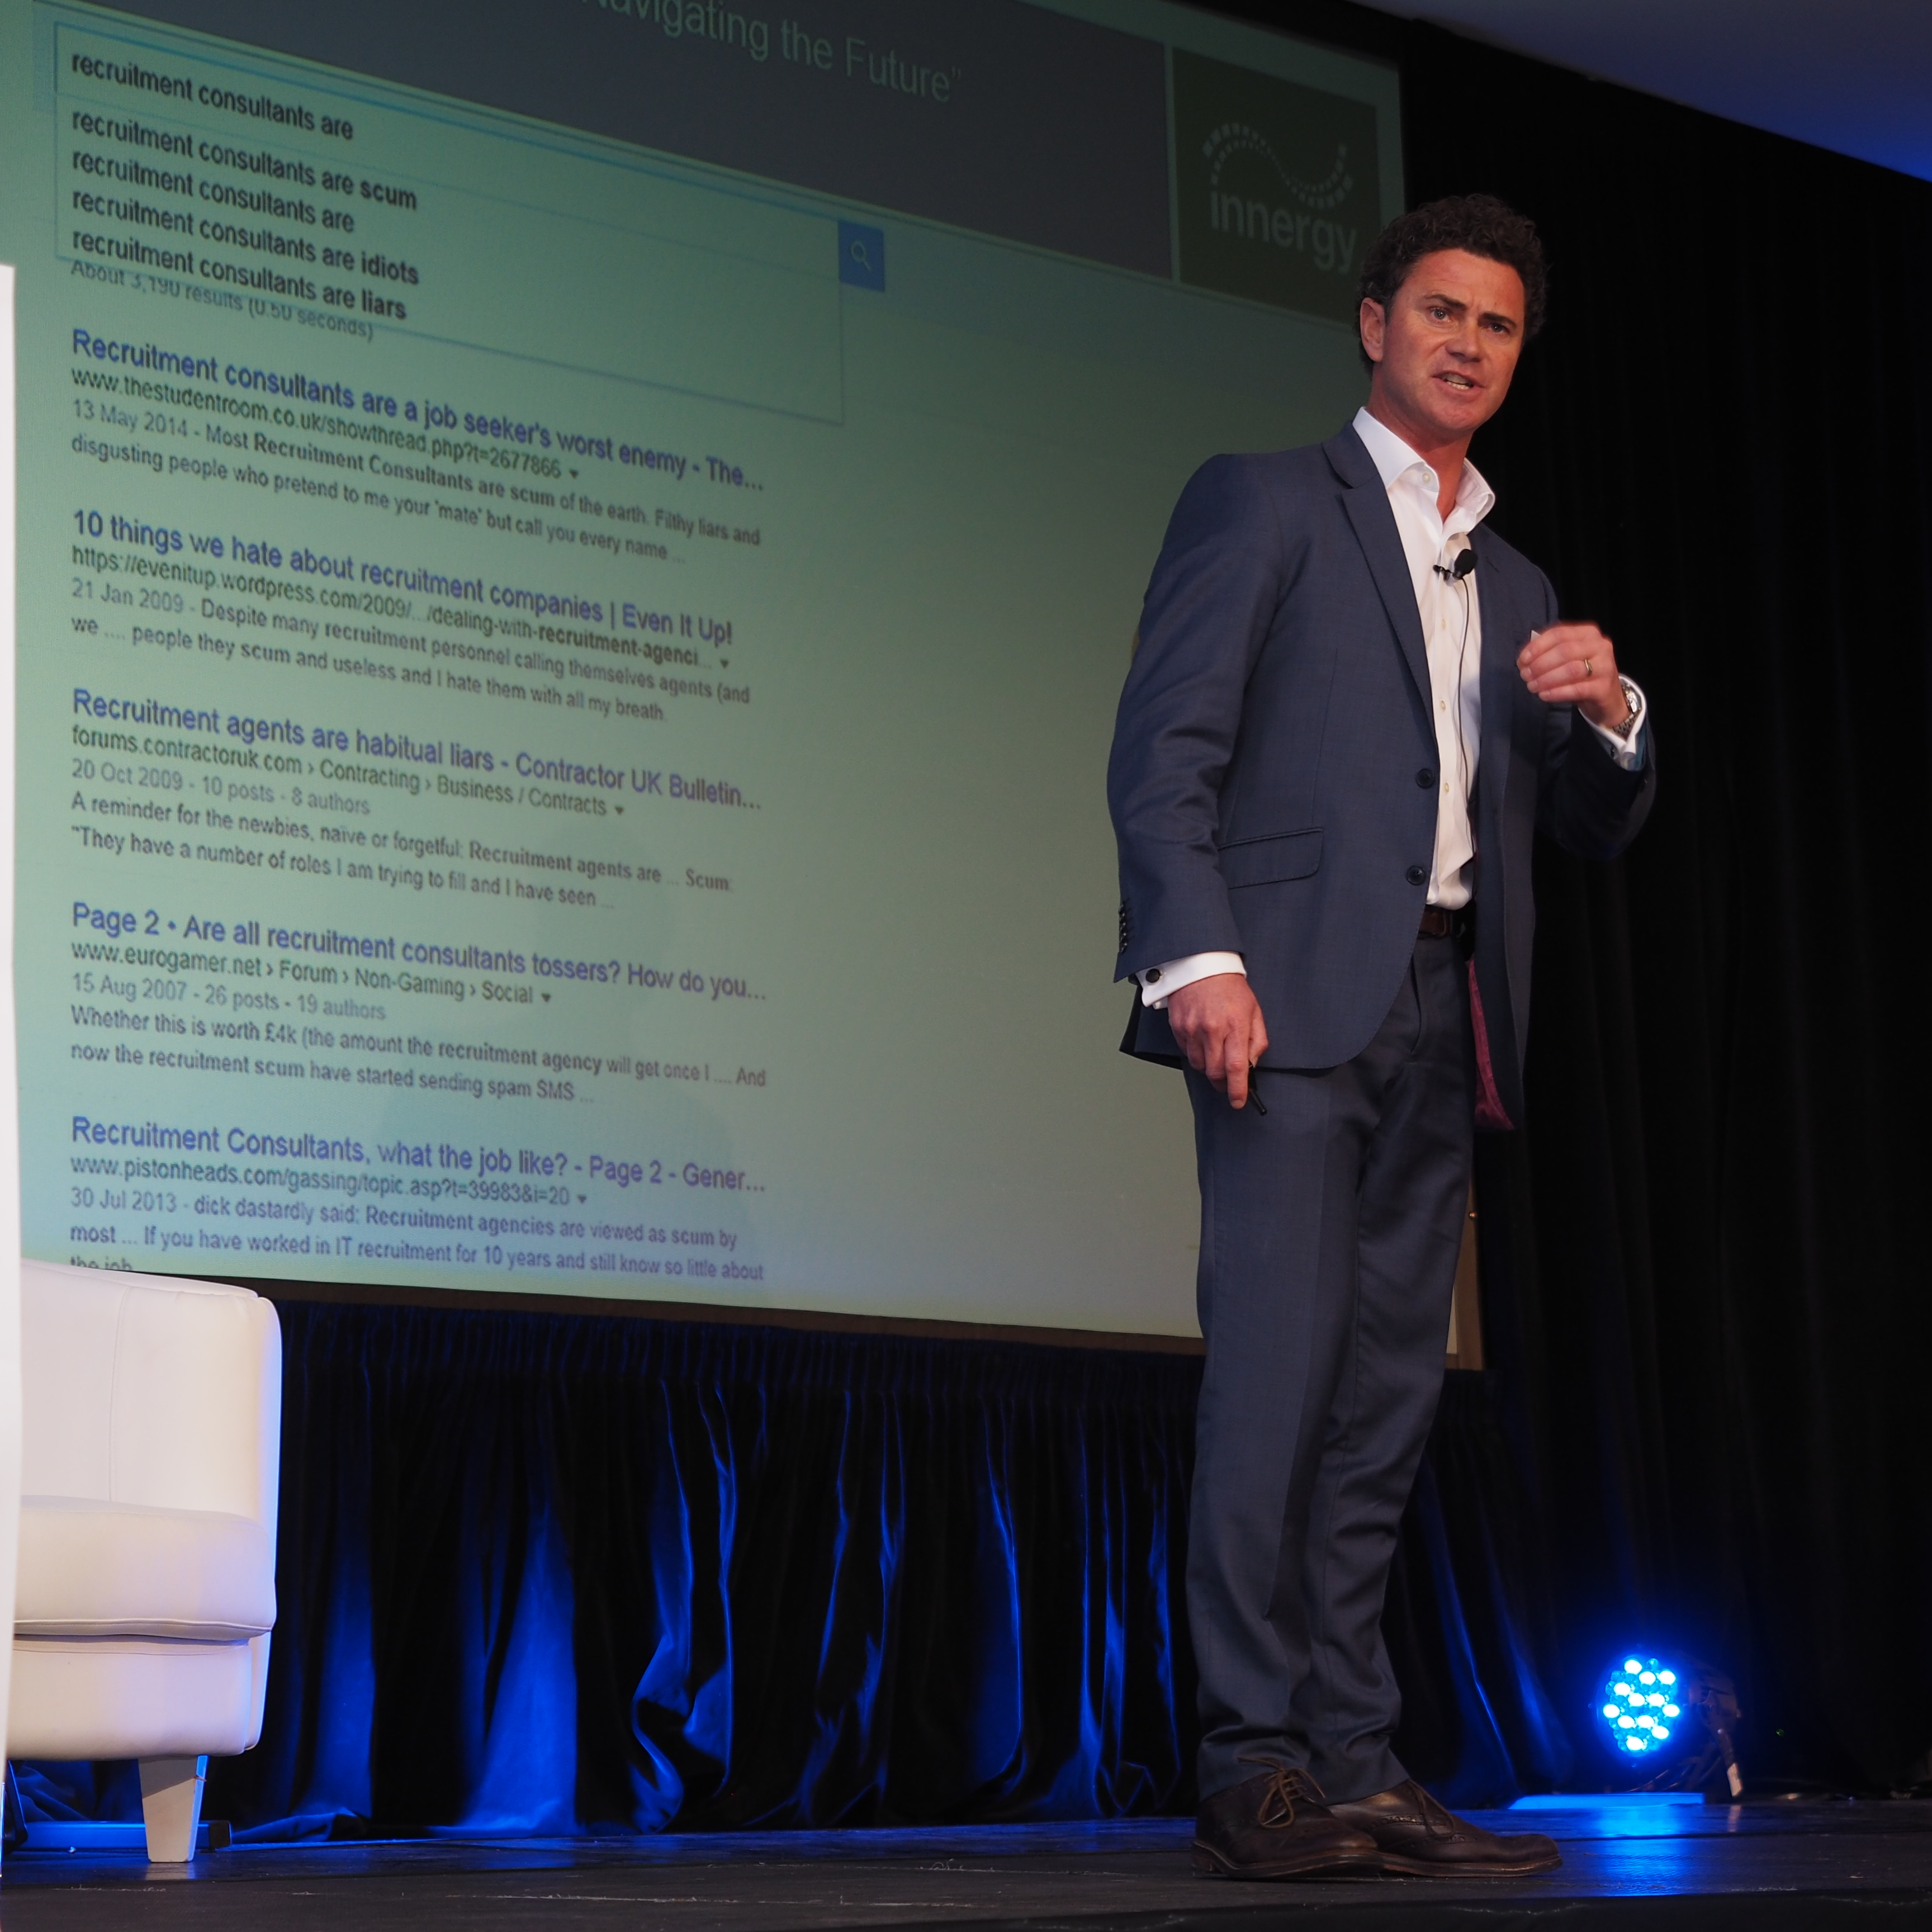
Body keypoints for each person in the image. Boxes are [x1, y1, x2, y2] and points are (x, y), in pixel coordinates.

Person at [1107, 195, 1654, 1880]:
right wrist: (1195, 956)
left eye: (1498, 325)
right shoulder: (1268, 499)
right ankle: (1251, 1760)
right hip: (1281, 1003)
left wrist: (1613, 713)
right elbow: (1166, 749)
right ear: (1373, 324)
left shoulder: (1522, 577)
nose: (1467, 344)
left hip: (1445, 1007)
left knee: (1385, 1403)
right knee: (1276, 1383)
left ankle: (1354, 1754)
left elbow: (1584, 827)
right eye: (1440, 312)